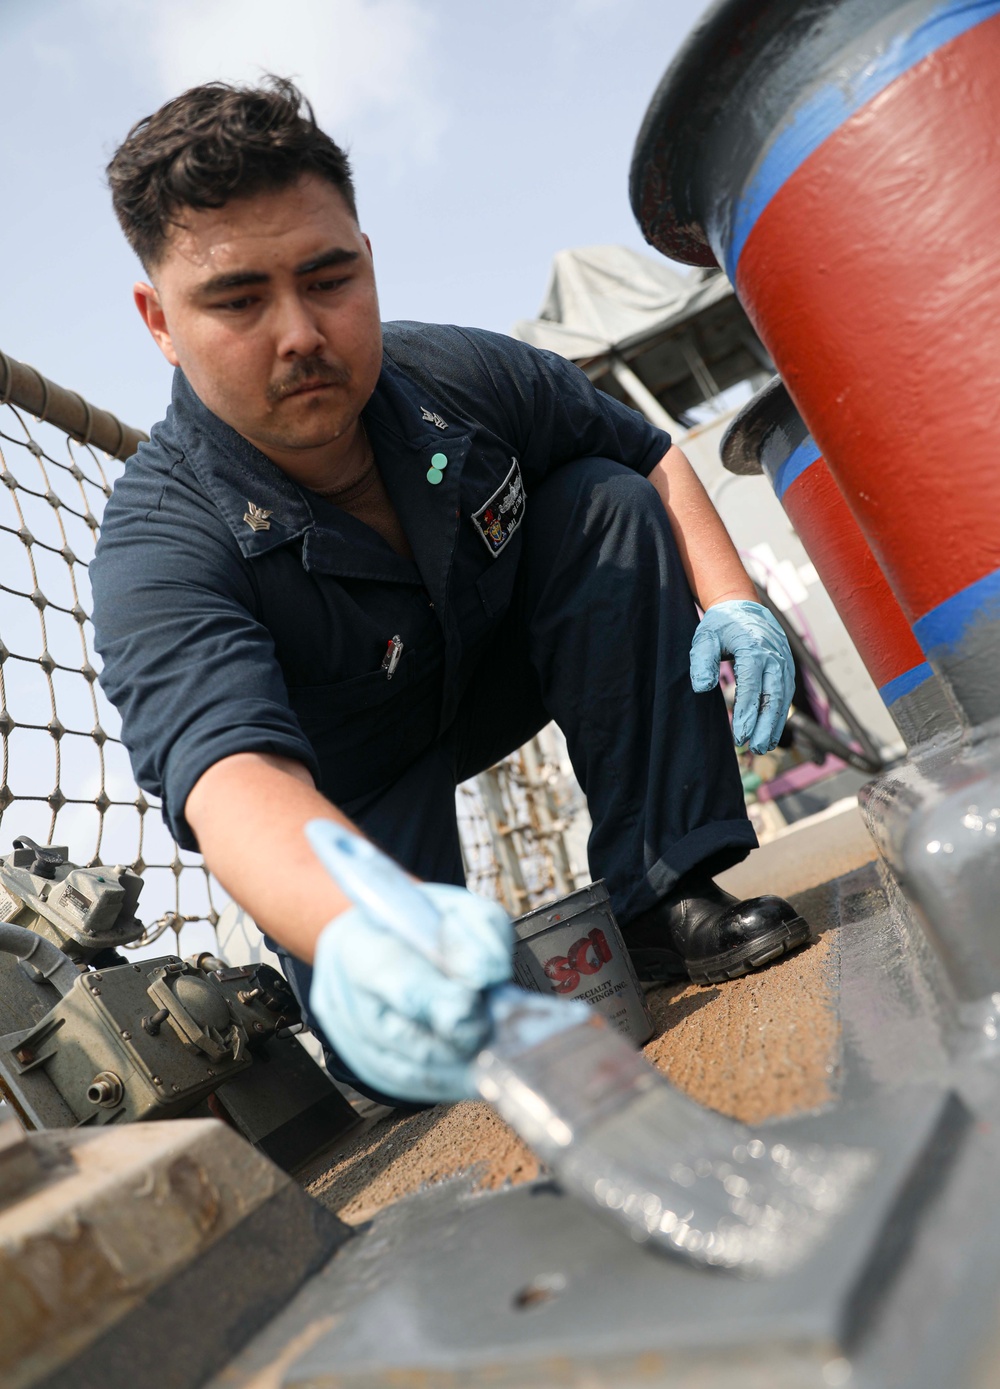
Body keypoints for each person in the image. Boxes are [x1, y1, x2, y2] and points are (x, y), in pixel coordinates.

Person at [92, 77, 806, 1107]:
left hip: (494, 663)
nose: (300, 334)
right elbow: (223, 772)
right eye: (239, 299)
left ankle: (666, 891)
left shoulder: (458, 376)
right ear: (161, 322)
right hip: (349, 777)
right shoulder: (158, 539)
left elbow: (648, 456)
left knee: (600, 502)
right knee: (407, 1068)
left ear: (368, 265)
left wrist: (733, 596)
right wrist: (354, 931)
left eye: (327, 278)